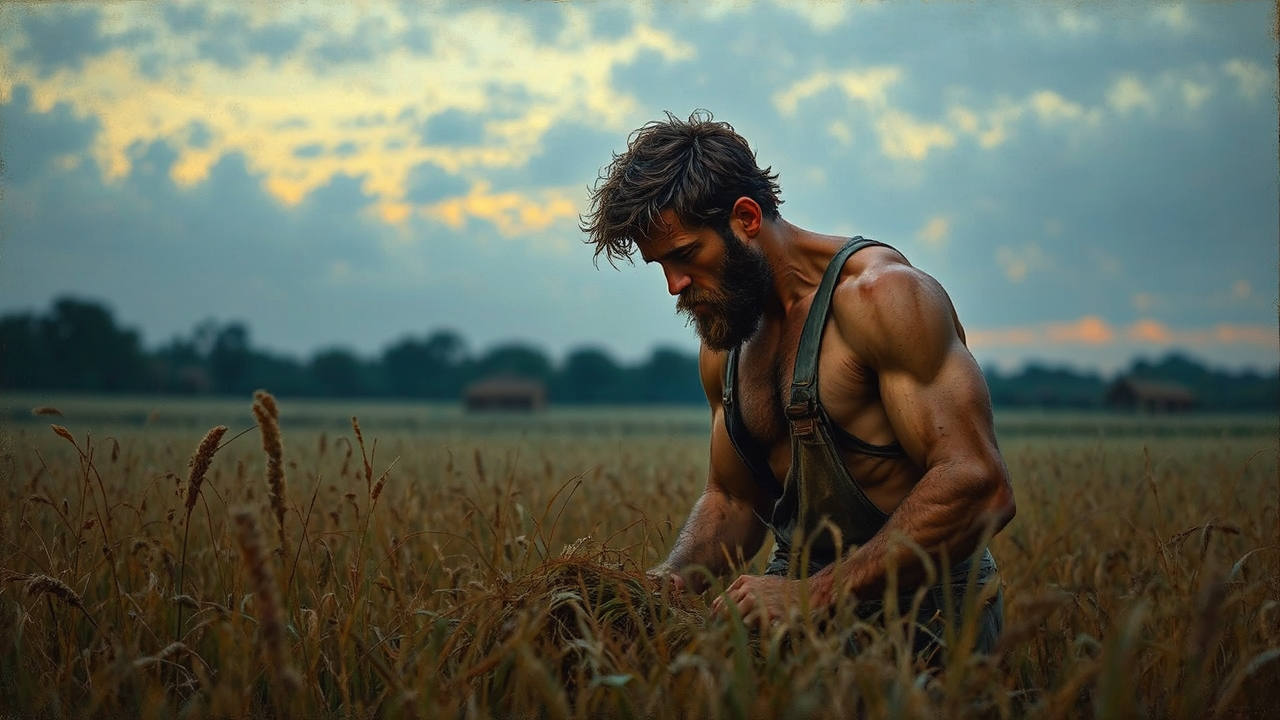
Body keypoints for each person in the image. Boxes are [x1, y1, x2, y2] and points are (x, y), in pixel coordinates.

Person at [579, 110, 1016, 663]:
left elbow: (980, 485)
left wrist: (815, 593)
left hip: (927, 615)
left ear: (745, 217)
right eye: (660, 265)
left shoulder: (882, 300)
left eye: (686, 254)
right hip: (794, 603)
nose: (674, 286)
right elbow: (736, 499)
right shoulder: (725, 343)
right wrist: (664, 586)